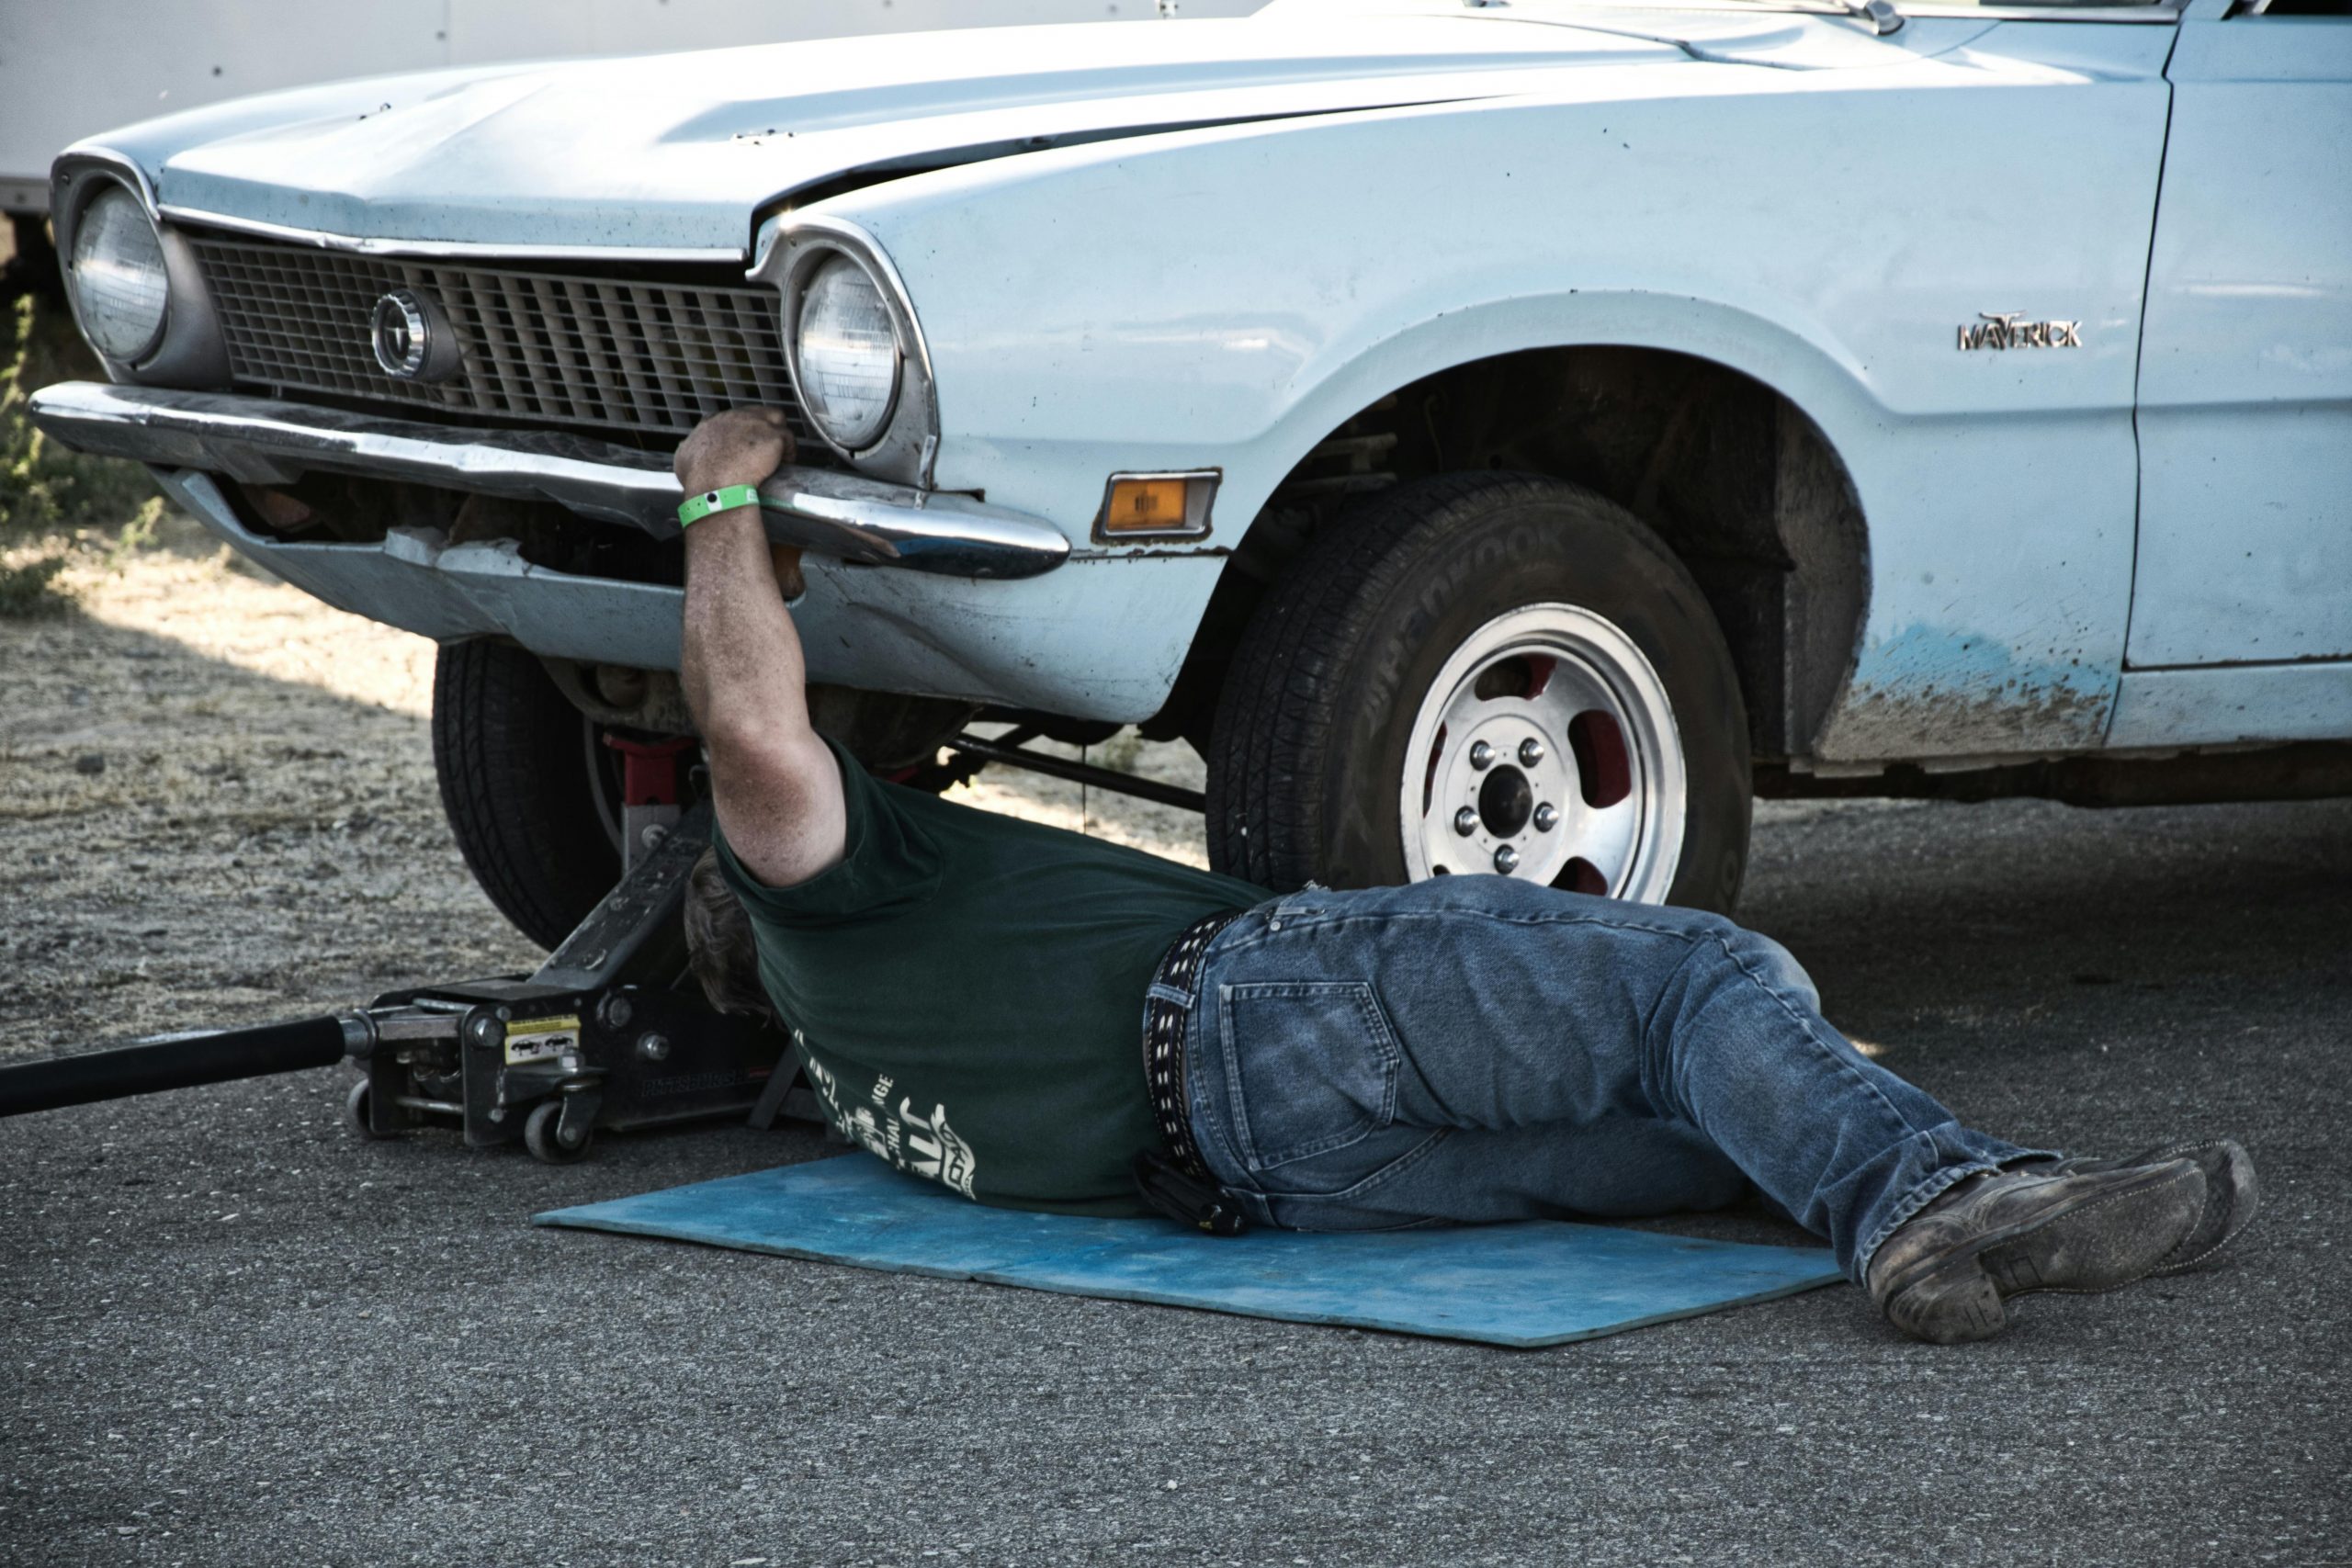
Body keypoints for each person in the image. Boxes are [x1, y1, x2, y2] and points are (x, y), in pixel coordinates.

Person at [672, 409, 2256, 1345]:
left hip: (1283, 1185)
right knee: (1699, 982)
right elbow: (749, 731)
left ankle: (1963, 1203)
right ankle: (1944, 1203)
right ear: (757, 906)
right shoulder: (820, 910)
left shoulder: (863, 1084)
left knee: (1714, 1129)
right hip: (1270, 1011)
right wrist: (723, 493)